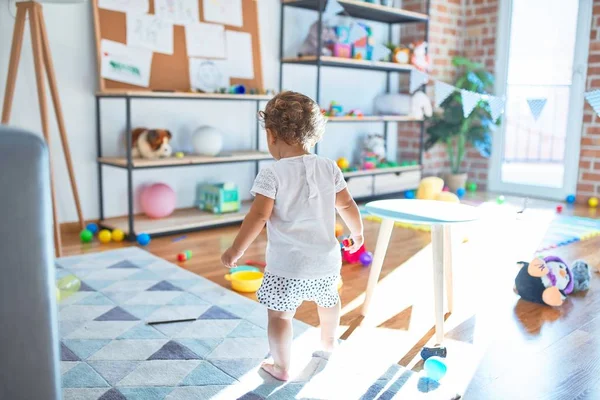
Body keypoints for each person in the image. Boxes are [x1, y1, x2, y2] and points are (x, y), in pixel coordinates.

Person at [221, 91, 363, 381]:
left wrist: (235, 250)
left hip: (287, 268)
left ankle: (282, 366)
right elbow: (347, 204)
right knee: (328, 301)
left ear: (271, 135)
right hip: (325, 262)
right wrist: (357, 233)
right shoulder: (329, 167)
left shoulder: (272, 174)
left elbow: (258, 217)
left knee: (280, 316)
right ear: (312, 135)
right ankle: (328, 344)